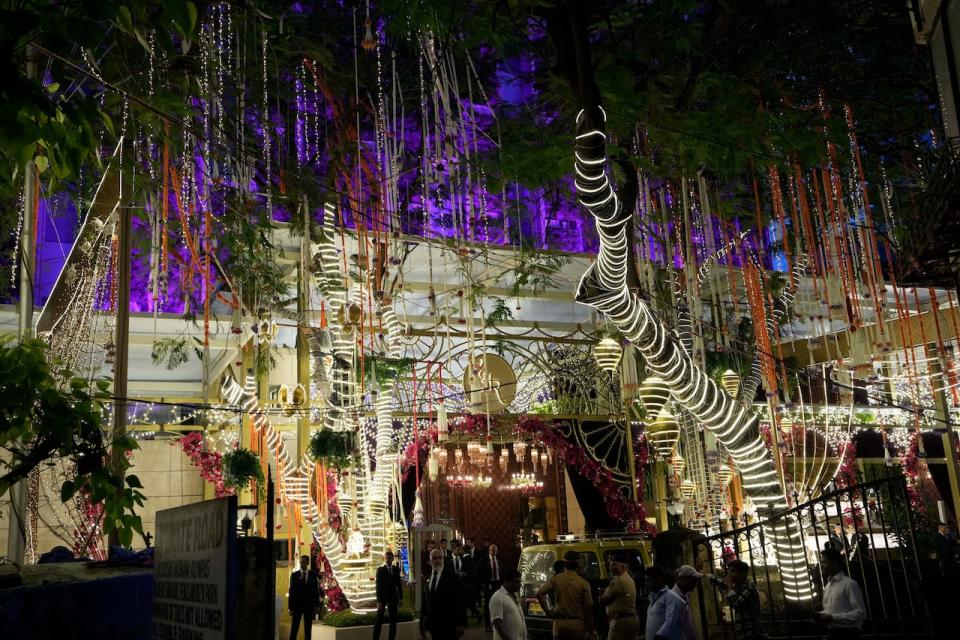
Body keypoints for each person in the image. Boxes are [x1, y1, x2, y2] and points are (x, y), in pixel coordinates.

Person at [535, 550, 594, 640]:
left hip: (559, 625)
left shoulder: (556, 579)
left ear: (565, 564)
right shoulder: (583, 583)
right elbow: (588, 609)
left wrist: (548, 612)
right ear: (577, 565)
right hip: (576, 626)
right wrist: (590, 630)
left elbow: (539, 593)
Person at [814, 548, 866, 638]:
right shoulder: (827, 586)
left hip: (849, 634)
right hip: (832, 633)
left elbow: (860, 613)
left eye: (824, 562)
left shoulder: (849, 584)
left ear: (835, 564)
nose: (821, 565)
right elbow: (830, 610)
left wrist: (832, 617)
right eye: (821, 562)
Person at [709, 560, 764, 640]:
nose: (729, 574)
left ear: (742, 573)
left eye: (733, 571)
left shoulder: (749, 587)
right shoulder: (737, 586)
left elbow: (736, 604)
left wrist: (730, 587)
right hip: (742, 633)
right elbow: (719, 581)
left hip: (753, 633)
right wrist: (703, 573)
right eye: (729, 571)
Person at [420, 548, 467, 639]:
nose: (438, 560)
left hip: (449, 625)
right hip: (433, 627)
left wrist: (461, 623)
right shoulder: (427, 579)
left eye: (440, 558)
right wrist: (422, 626)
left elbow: (460, 600)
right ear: (430, 561)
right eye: (435, 558)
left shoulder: (452, 577)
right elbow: (424, 605)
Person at [599, 552, 638, 640]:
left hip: (620, 623)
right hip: (629, 619)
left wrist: (601, 596)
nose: (610, 568)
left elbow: (603, 601)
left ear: (622, 567)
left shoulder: (618, 580)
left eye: (614, 565)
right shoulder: (628, 577)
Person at [643, 565, 687, 640]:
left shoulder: (671, 597)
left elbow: (670, 623)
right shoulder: (652, 599)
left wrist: (659, 636)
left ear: (658, 580)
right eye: (646, 580)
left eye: (649, 580)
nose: (646, 584)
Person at [288, 555, 321, 640]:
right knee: (294, 627)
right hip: (297, 606)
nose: (301, 563)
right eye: (300, 562)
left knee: (308, 628)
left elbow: (315, 591)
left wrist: (317, 605)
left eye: (303, 562)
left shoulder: (313, 575)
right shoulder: (294, 575)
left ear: (307, 562)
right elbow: (291, 592)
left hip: (309, 606)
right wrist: (290, 607)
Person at [490, 568, 527, 640]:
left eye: (520, 582)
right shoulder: (498, 597)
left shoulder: (514, 595)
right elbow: (496, 623)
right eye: (516, 582)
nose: (520, 585)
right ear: (507, 581)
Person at [373, 550, 403, 640]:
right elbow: (378, 586)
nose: (387, 560)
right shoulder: (380, 570)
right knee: (379, 620)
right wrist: (378, 601)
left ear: (393, 559)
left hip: (393, 598)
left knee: (393, 621)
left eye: (389, 558)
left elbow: (399, 584)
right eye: (386, 558)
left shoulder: (396, 569)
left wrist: (401, 598)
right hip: (382, 598)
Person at [452, 541, 481, 620]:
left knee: (464, 601)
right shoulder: (450, 559)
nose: (459, 552)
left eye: (460, 550)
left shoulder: (463, 558)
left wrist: (463, 574)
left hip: (464, 584)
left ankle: (474, 614)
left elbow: (467, 571)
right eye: (458, 550)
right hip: (459, 584)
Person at [669, 565, 700, 640]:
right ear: (684, 580)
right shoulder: (672, 598)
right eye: (694, 580)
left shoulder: (684, 595)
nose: (696, 583)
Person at [480, 543, 504, 632]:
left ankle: (498, 623)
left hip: (498, 584)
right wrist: (483, 583)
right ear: (489, 551)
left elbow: (502, 570)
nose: (493, 552)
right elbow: (477, 571)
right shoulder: (484, 560)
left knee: (499, 603)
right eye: (491, 550)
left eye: (494, 550)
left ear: (497, 551)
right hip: (488, 584)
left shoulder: (499, 559)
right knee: (488, 605)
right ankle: (487, 625)